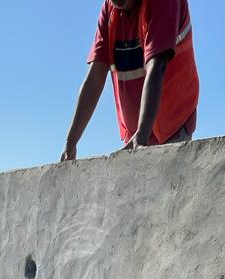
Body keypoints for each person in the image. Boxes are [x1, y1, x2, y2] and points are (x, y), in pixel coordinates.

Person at [61, 0, 199, 160]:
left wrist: (141, 137)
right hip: (136, 133)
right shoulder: (109, 9)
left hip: (171, 126)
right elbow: (95, 77)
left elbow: (157, 67)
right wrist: (71, 142)